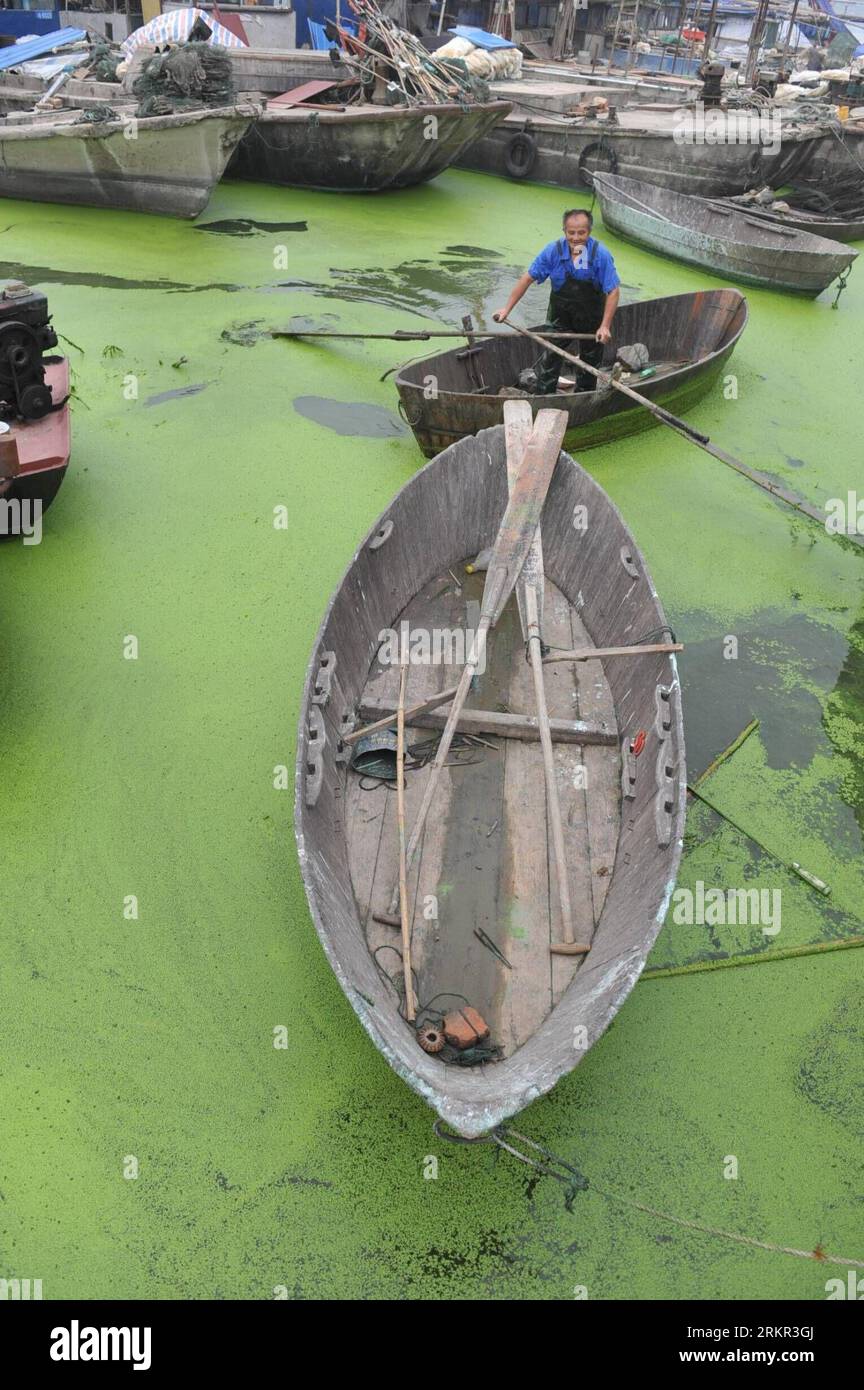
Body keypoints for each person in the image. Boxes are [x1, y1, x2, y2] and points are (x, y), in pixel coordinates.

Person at [493, 209, 620, 394]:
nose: (576, 238)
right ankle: (544, 396)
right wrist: (506, 309)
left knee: (590, 362)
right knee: (550, 355)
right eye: (571, 232)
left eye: (581, 233)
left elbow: (613, 291)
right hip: (561, 317)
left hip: (591, 319)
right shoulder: (553, 251)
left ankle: (583, 396)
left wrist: (605, 326)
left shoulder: (600, 255)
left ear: (589, 231)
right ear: (564, 231)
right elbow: (527, 279)